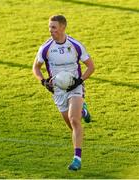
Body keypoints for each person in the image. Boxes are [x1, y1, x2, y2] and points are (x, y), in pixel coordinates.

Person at [33, 15, 95, 171]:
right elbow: (36, 68)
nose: (50, 30)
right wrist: (43, 81)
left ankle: (77, 159)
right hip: (58, 91)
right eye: (49, 27)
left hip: (74, 87)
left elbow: (91, 67)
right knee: (72, 125)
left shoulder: (75, 45)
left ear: (62, 27)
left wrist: (79, 81)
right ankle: (83, 109)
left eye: (53, 27)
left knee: (74, 120)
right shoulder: (45, 48)